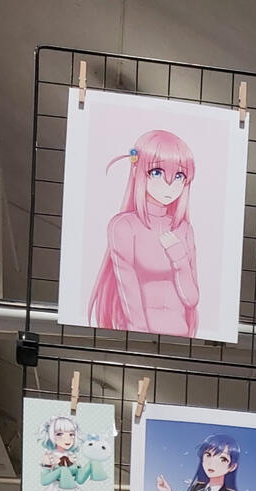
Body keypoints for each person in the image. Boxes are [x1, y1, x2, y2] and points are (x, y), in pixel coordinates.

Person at [89, 129, 199, 336]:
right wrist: (137, 337)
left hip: (180, 338)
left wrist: (179, 258)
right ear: (137, 171)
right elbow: (128, 290)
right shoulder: (124, 226)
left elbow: (191, 299)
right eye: (156, 172)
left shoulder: (183, 229)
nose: (169, 184)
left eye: (179, 176)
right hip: (138, 337)